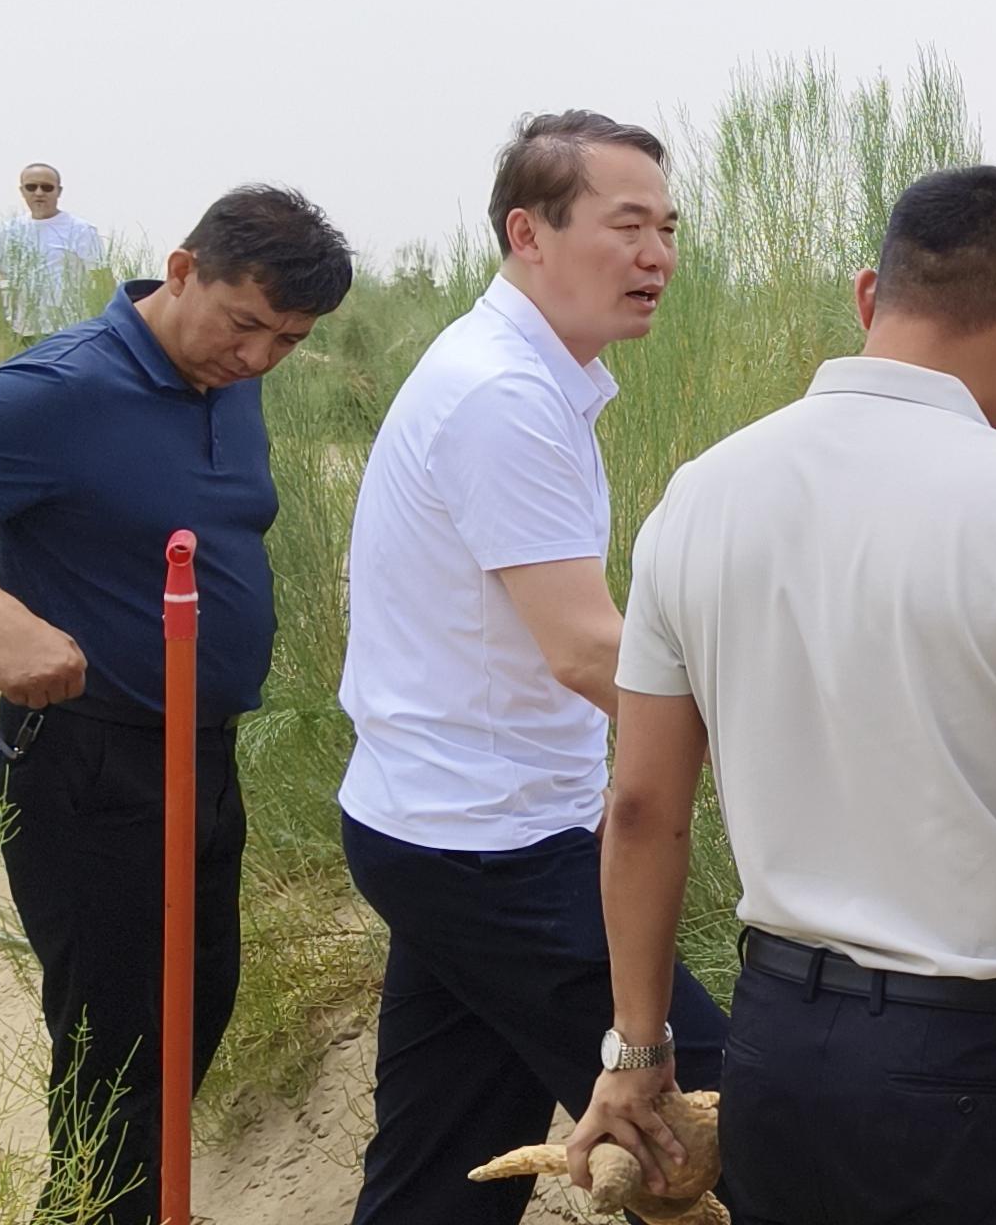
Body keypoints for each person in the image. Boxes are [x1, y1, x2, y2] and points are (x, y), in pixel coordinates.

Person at [568, 165, 996, 1225]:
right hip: (970, 1060)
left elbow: (639, 808)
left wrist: (637, 1048)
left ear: (868, 295)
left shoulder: (701, 496)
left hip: (776, 1042)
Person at [0, 186, 354, 1225]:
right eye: (244, 324)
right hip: (88, 763)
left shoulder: (230, 379)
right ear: (181, 271)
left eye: (289, 340)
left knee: (192, 1014)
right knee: (118, 1050)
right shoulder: (61, 386)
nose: (259, 357)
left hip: (202, 755)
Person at [334, 110, 726, 1225]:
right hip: (490, 849)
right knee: (738, 1121)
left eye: (668, 229)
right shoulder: (501, 396)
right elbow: (589, 649)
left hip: (447, 829)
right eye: (628, 225)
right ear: (528, 232)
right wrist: (783, 740)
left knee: (439, 1176)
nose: (657, 256)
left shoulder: (524, 377)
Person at [0, 161, 104, 340]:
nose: (39, 193)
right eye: (31, 187)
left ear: (59, 191)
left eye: (47, 187)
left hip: (69, 329)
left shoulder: (81, 230)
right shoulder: (8, 231)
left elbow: (102, 280)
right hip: (21, 331)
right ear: (22, 191)